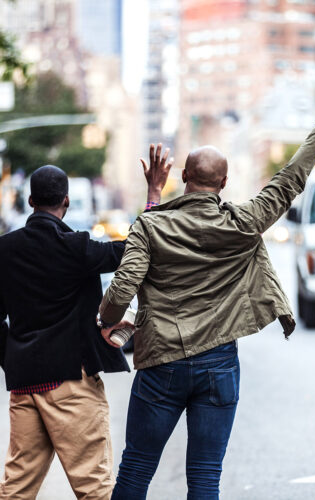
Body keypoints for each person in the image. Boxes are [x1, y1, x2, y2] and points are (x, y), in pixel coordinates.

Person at [98, 69, 315, 500]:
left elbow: (123, 289)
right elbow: (290, 178)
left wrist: (107, 322)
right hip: (218, 364)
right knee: (204, 476)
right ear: (224, 184)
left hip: (160, 364)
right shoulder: (243, 223)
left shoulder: (149, 225)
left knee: (136, 469)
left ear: (183, 177)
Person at [0, 147, 173, 499]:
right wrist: (153, 196)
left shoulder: (5, 249)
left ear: (30, 200)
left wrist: (11, 358)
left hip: (23, 386)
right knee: (94, 487)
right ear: (65, 201)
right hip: (70, 384)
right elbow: (135, 250)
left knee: (16, 488)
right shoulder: (76, 248)